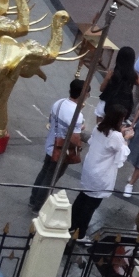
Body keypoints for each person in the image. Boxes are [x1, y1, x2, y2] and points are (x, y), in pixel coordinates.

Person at [71, 105, 133, 237]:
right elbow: (122, 153)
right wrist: (126, 138)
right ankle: (80, 234)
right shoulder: (116, 136)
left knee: (82, 197)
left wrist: (121, 134)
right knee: (90, 206)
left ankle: (71, 225)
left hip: (90, 168)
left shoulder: (99, 127)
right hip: (101, 174)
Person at [28, 78, 86, 211]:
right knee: (51, 178)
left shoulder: (59, 102)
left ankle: (33, 198)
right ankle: (39, 205)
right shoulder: (77, 114)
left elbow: (51, 120)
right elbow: (75, 137)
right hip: (61, 149)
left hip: (51, 143)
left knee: (44, 172)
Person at [97, 45, 139, 121]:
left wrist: (107, 79)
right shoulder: (133, 75)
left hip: (107, 101)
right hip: (122, 105)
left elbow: (102, 88)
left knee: (100, 124)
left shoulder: (113, 73)